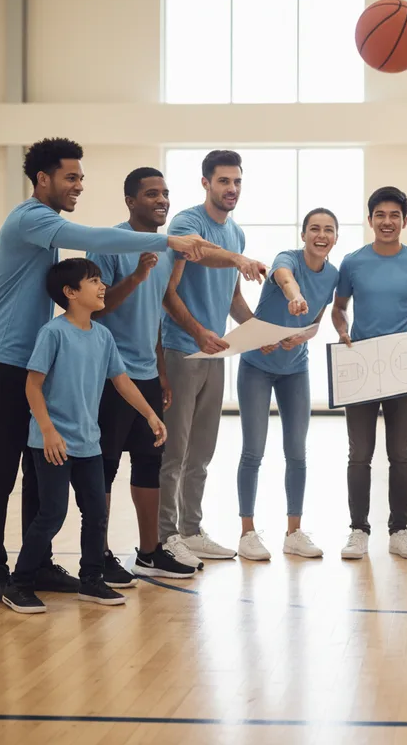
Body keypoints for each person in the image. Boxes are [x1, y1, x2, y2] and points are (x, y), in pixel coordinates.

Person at [0, 138, 211, 603]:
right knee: (2, 471)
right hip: (5, 362)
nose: (78, 186)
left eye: (81, 178)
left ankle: (39, 566)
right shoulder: (31, 218)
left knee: (38, 471)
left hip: (29, 356)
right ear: (43, 179)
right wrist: (166, 239)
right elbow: (92, 238)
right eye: (70, 177)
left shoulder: (44, 226)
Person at [1, 259, 167, 613]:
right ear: (71, 293)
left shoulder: (103, 336)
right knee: (52, 514)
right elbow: (33, 386)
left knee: (96, 513)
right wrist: (47, 432)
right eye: (94, 281)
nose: (102, 286)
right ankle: (20, 583)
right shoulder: (53, 333)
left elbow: (121, 381)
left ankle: (92, 579)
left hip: (89, 443)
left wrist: (150, 414)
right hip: (52, 445)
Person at [88, 168, 201, 586]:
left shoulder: (166, 250)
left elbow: (154, 315)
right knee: (104, 466)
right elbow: (96, 309)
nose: (162, 200)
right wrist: (135, 276)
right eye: (151, 193)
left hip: (148, 375)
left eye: (166, 193)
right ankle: (95, 555)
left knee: (149, 462)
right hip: (110, 376)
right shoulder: (110, 244)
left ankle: (150, 553)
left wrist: (160, 369)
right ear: (130, 200)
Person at [159, 150, 264, 567]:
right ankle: (167, 537)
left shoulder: (236, 233)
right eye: (223, 181)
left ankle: (191, 530)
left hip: (216, 352)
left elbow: (232, 296)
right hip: (182, 350)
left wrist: (258, 331)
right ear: (206, 183)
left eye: (237, 182)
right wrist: (199, 330)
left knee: (201, 451)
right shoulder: (188, 223)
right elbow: (191, 261)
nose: (231, 189)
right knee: (175, 451)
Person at [332, 186, 407, 560]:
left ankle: (400, 530)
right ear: (371, 219)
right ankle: (358, 529)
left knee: (400, 453)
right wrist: (342, 329)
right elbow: (339, 307)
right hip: (362, 366)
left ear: (404, 221)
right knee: (359, 452)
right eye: (380, 215)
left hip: (401, 369)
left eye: (395, 215)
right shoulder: (353, 262)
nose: (387, 222)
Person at [236, 208, 340, 560]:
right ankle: (247, 533)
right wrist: (294, 296)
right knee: (253, 450)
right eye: (314, 229)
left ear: (335, 238)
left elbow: (315, 323)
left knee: (297, 452)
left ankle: (293, 532)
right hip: (256, 366)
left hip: (295, 369)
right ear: (303, 235)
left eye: (328, 230)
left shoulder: (333, 274)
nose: (321, 235)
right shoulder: (287, 260)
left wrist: (303, 336)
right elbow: (284, 279)